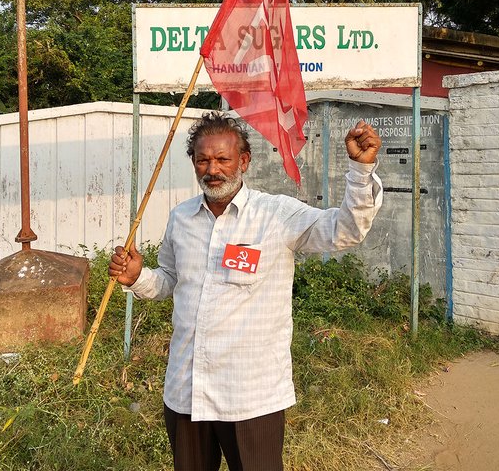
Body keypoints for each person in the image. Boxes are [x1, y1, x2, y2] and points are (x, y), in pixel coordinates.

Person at [109, 111, 383, 471]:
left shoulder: (276, 216)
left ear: (244, 161)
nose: (213, 169)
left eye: (223, 159)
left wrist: (361, 172)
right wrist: (136, 276)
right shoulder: (181, 219)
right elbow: (169, 281)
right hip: (187, 389)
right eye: (203, 159)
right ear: (193, 162)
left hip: (250, 396)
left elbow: (345, 230)